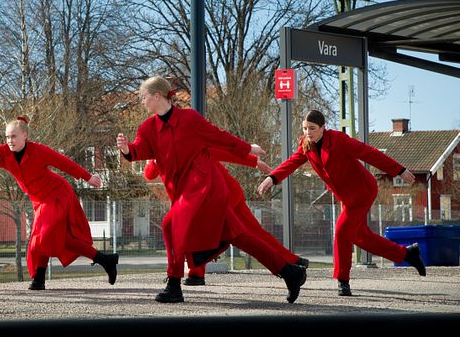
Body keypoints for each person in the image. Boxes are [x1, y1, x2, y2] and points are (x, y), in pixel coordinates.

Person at [116, 76, 306, 304]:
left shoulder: (189, 119)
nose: (142, 101)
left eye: (143, 96)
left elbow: (218, 137)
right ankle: (290, 272)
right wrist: (128, 149)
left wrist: (248, 149)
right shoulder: (147, 128)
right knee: (241, 236)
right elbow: (141, 151)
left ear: (157, 96)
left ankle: (174, 284)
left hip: (206, 188)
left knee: (169, 224)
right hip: (186, 195)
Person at [257, 109, 426, 297]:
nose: (307, 132)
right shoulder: (306, 144)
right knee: (361, 237)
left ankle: (342, 281)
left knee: (342, 232)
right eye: (305, 128)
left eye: (312, 128)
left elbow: (368, 153)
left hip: (363, 191)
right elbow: (292, 162)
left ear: (323, 128)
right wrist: (272, 178)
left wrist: (398, 170)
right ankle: (407, 254)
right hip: (346, 197)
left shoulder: (338, 140)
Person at [0, 115, 119, 290]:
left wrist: (88, 177)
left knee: (41, 237)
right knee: (61, 240)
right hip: (40, 201)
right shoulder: (4, 152)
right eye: (7, 137)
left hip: (57, 194)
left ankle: (39, 278)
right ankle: (106, 260)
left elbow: (63, 163)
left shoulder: (38, 150)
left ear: (25, 135)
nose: (10, 141)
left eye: (13, 136)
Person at [143, 150, 309, 287]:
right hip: (205, 201)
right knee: (243, 235)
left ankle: (292, 263)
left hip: (225, 195)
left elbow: (221, 149)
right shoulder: (164, 145)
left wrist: (251, 158)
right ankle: (291, 266)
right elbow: (150, 174)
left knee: (251, 234)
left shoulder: (187, 136)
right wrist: (153, 158)